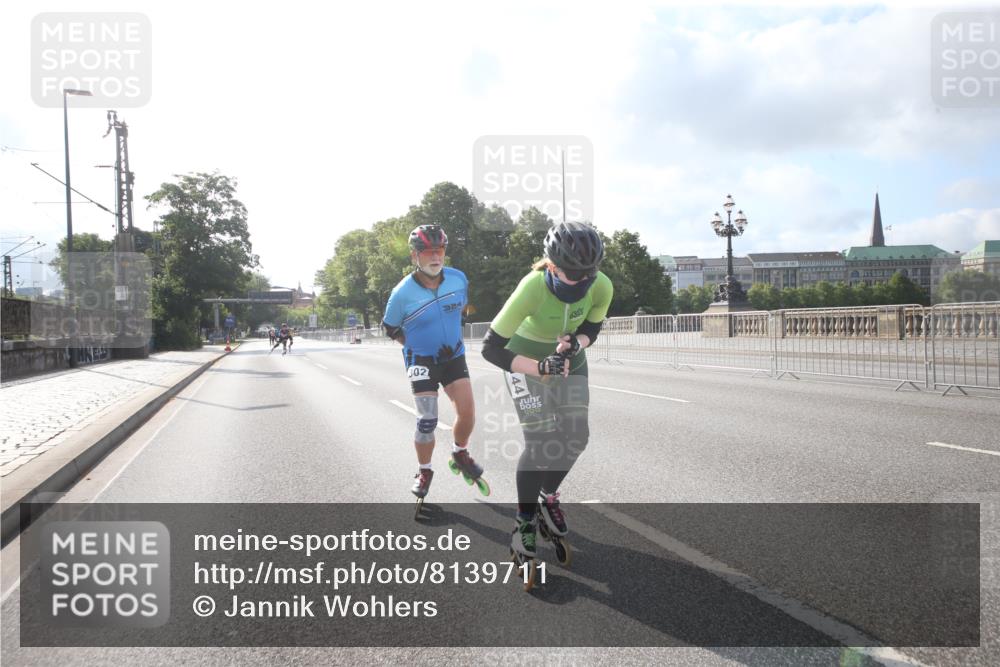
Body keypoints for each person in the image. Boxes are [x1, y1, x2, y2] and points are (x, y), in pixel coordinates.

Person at [480, 221, 613, 561]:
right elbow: (491, 349)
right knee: (540, 443)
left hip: (569, 359)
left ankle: (548, 496)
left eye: (588, 274)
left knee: (576, 436)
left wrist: (575, 346)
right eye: (572, 274)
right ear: (552, 266)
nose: (582, 282)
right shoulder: (533, 287)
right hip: (525, 359)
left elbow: (592, 329)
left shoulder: (602, 286)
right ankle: (523, 521)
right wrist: (540, 367)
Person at [382, 224, 484, 499]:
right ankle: (424, 470)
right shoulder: (401, 293)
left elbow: (463, 307)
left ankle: (460, 452)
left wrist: (455, 331)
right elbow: (390, 327)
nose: (435, 257)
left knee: (468, 411)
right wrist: (414, 346)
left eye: (439, 251)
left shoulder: (458, 279)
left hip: (453, 355)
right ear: (414, 256)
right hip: (420, 359)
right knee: (427, 419)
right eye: (427, 252)